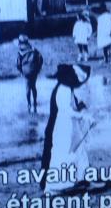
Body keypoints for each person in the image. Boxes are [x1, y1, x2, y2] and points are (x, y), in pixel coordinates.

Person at [40, 63, 94, 195]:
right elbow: (66, 110)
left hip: (68, 125)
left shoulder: (65, 88)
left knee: (76, 151)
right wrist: (83, 115)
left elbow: (73, 105)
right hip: (60, 126)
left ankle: (80, 180)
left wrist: (81, 108)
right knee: (62, 153)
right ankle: (54, 185)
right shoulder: (63, 90)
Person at [16, 34, 43, 113]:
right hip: (34, 70)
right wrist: (38, 68)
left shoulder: (20, 52)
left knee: (27, 88)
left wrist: (21, 71)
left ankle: (29, 104)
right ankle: (35, 102)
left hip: (26, 71)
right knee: (33, 86)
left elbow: (18, 64)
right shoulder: (34, 50)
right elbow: (40, 59)